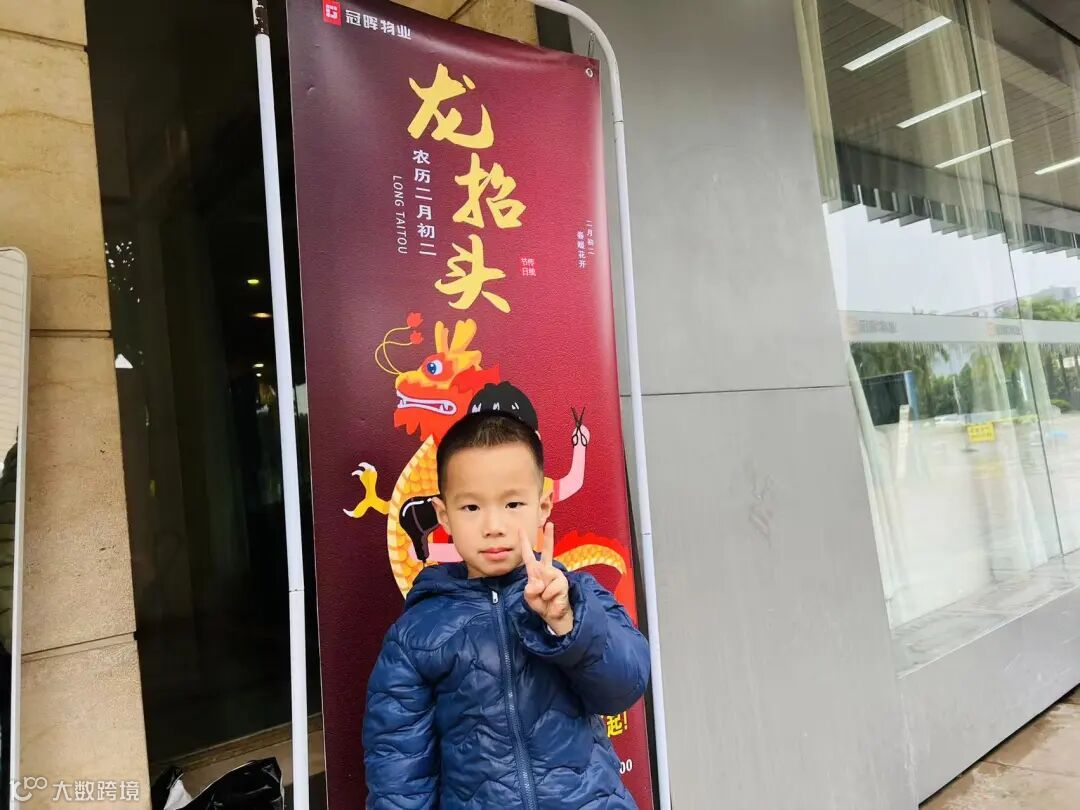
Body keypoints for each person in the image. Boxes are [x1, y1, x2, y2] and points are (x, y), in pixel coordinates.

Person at [363, 411, 649, 809]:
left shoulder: (578, 596)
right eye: (471, 508)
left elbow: (625, 687)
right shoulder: (415, 634)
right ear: (444, 516)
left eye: (513, 503)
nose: (493, 525)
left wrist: (566, 624)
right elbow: (397, 774)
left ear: (543, 505)